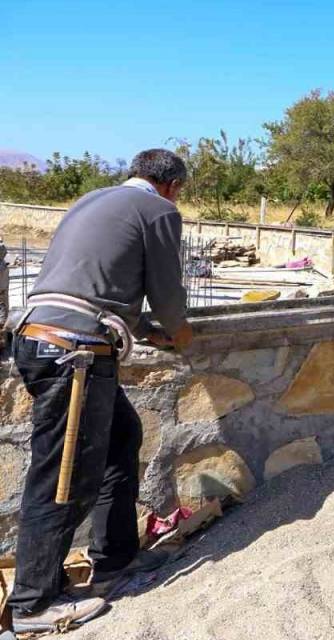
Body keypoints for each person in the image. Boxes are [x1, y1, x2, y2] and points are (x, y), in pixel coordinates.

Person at [4, 149, 194, 633]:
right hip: (75, 354)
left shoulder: (93, 199)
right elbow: (167, 292)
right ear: (172, 186)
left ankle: (115, 558)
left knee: (121, 439)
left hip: (40, 336)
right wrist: (180, 334)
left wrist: (142, 329)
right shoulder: (159, 209)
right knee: (63, 476)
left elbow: (93, 283)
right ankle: (32, 605)